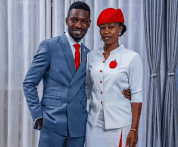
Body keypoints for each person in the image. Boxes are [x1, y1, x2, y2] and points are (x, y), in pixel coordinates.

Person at [23, 2, 131, 147]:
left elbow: (92, 87)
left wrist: (121, 92)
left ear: (89, 24)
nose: (79, 25)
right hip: (52, 124)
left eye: (83, 21)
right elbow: (29, 83)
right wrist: (39, 115)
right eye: (74, 20)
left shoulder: (89, 54)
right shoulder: (49, 46)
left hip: (78, 128)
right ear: (67, 20)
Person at [85, 8, 143, 147]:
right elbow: (87, 87)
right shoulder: (91, 56)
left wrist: (134, 129)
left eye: (111, 27)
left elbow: (136, 94)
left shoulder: (132, 57)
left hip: (120, 124)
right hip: (93, 124)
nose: (106, 32)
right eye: (102, 28)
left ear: (120, 29)